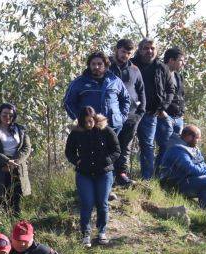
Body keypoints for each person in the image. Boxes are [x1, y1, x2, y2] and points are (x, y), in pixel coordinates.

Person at [65, 106, 120, 247]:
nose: (89, 124)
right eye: (85, 122)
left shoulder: (106, 130)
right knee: (87, 203)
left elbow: (116, 149)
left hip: (104, 172)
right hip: (84, 173)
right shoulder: (76, 133)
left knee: (102, 203)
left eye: (91, 121)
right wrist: (76, 160)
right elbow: (69, 152)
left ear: (95, 118)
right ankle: (86, 234)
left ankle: (102, 232)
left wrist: (107, 160)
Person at [157, 125, 206, 211]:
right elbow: (190, 168)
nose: (199, 140)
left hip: (191, 179)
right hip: (176, 184)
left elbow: (202, 164)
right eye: (197, 138)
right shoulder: (176, 148)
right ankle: (203, 211)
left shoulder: (193, 147)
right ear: (189, 137)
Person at [133, 39, 175, 180]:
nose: (149, 51)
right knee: (123, 144)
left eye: (152, 48)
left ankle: (147, 179)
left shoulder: (161, 67)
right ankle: (121, 176)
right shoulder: (131, 65)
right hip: (131, 113)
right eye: (146, 48)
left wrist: (163, 107)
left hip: (151, 113)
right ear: (139, 49)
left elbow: (170, 89)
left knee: (147, 146)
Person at [109, 39, 146, 186]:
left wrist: (140, 112)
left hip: (131, 115)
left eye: (129, 53)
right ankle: (108, 176)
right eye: (123, 51)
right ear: (117, 50)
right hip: (110, 116)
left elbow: (141, 91)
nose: (125, 55)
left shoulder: (135, 70)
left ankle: (122, 175)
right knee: (109, 146)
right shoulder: (105, 66)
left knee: (125, 146)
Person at [64, 51, 130, 134]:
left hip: (113, 127)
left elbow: (126, 99)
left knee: (115, 147)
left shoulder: (115, 81)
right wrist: (80, 119)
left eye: (99, 64)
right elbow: (68, 102)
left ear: (105, 65)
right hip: (89, 128)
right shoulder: (79, 82)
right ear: (89, 65)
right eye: (93, 64)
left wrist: (121, 117)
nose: (96, 67)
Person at [156, 47, 187, 156]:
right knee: (165, 147)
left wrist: (182, 113)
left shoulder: (179, 76)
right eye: (181, 60)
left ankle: (169, 172)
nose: (183, 63)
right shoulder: (159, 74)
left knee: (176, 148)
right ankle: (159, 172)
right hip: (164, 116)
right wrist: (161, 112)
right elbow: (157, 93)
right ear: (171, 60)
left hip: (178, 118)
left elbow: (181, 95)